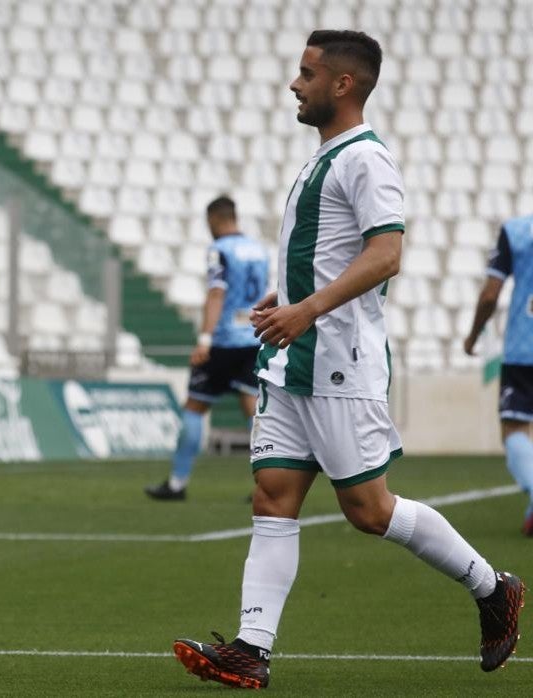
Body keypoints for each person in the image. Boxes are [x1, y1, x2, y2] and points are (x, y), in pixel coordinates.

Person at [172, 31, 524, 689]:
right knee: (272, 496)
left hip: (337, 360)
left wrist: (307, 309)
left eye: (306, 73)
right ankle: (252, 649)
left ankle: (491, 587)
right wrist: (291, 293)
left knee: (370, 510)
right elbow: (333, 250)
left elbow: (386, 252)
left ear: (343, 84)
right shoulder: (325, 156)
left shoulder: (366, 159)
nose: (293, 84)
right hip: (290, 360)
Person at [146, 196, 269, 500]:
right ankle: (267, 485)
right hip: (253, 338)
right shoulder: (259, 250)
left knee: (195, 405)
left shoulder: (220, 250)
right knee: (254, 408)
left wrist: (204, 339)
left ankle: (176, 483)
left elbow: (216, 293)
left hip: (224, 339)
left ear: (214, 219)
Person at [463, 214, 533, 535]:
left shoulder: (517, 231)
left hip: (524, 347)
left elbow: (491, 294)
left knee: (515, 429)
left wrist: (474, 335)